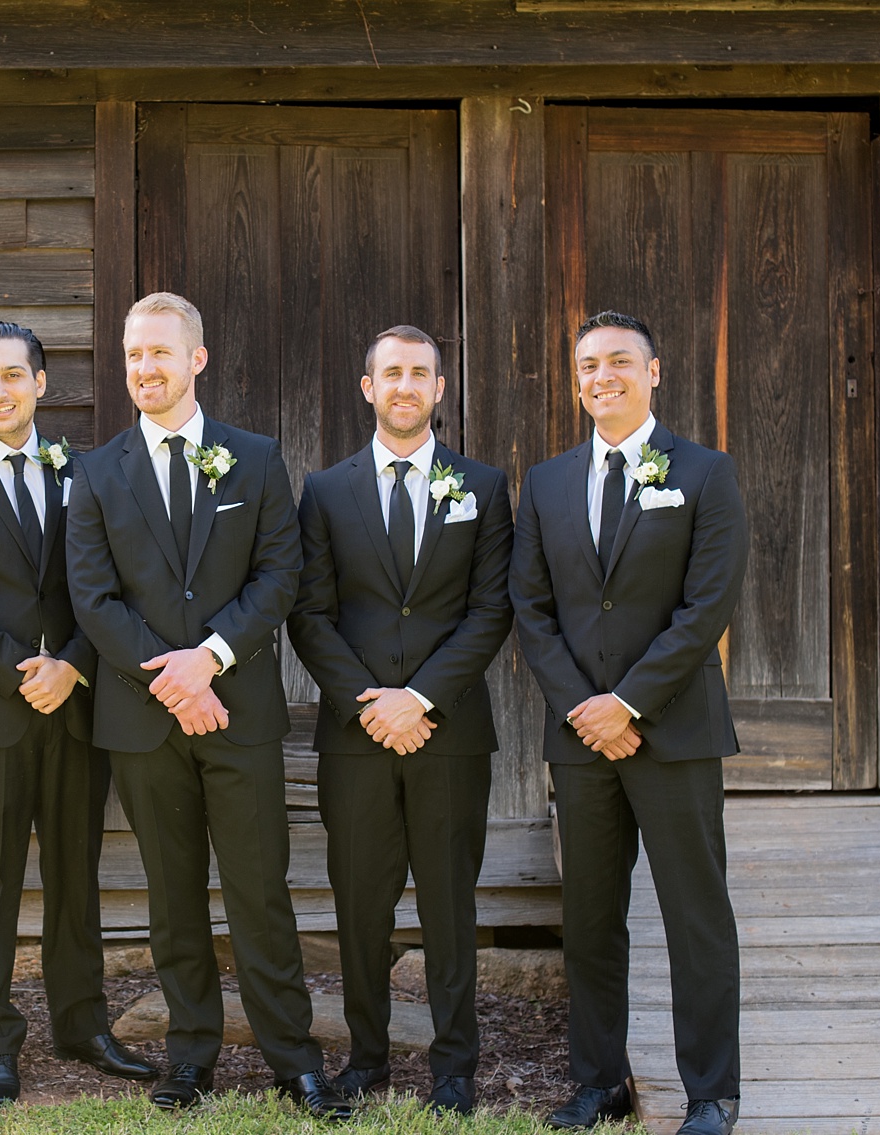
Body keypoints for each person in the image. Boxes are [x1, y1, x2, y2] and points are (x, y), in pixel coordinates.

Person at [64, 292, 350, 1120]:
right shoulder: (96, 471)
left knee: (260, 890)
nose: (145, 369)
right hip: (143, 718)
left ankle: (293, 1061)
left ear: (197, 359)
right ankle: (191, 1054)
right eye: (133, 356)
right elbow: (92, 595)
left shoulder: (255, 459)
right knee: (173, 892)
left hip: (241, 712)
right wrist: (173, 679)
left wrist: (211, 658)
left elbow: (278, 575)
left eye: (160, 353)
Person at [0, 321, 157, 1104]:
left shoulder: (85, 472)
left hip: (77, 710)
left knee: (76, 876)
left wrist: (73, 664)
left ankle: (83, 1024)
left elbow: (112, 587)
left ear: (42, 384)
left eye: (13, 375)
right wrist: (23, 676)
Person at [510, 311, 748, 1135]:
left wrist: (630, 702)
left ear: (654, 372)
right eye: (586, 364)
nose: (601, 374)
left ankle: (711, 1093)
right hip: (580, 739)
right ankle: (598, 1080)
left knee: (696, 915)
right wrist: (587, 708)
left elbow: (705, 602)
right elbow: (531, 609)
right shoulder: (544, 482)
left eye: (619, 360)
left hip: (674, 730)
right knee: (590, 916)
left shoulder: (706, 473)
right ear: (575, 380)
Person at [288, 325, 514, 1115]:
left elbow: (490, 612)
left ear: (440, 388)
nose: (406, 385)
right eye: (392, 373)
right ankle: (368, 1056)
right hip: (355, 738)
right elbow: (310, 616)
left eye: (421, 373)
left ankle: (454, 1068)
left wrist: (417, 699)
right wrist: (371, 705)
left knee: (450, 903)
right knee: (360, 902)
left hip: (449, 733)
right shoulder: (323, 490)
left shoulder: (482, 487)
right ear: (368, 387)